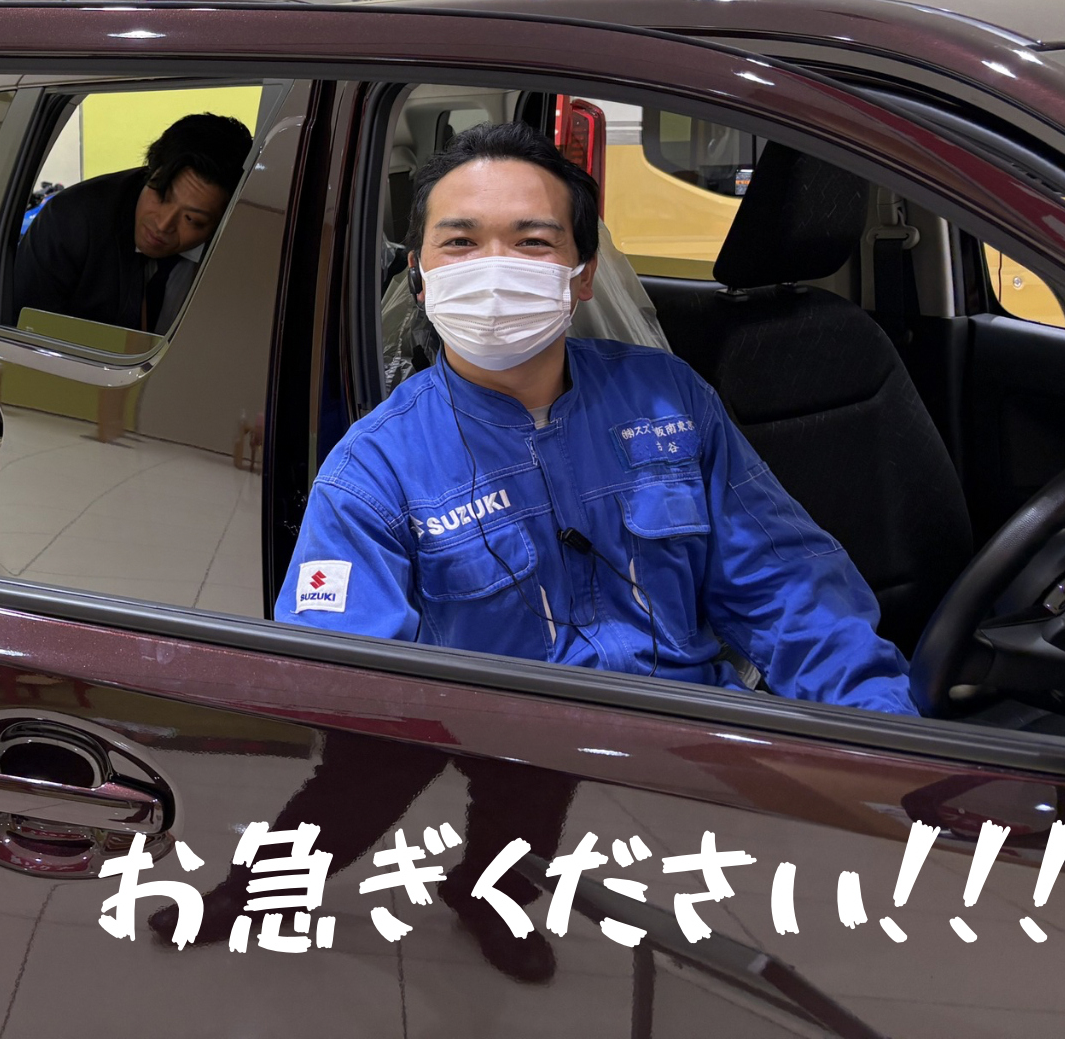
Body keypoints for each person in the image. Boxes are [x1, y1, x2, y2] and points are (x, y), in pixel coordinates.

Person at [274, 121, 916, 717]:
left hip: (699, 745)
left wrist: (886, 737)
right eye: (461, 243)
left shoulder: (667, 398)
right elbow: (343, 693)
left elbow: (789, 591)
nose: (494, 271)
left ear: (583, 276)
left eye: (532, 242)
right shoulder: (372, 471)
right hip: (519, 772)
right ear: (419, 275)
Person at [11, 111, 252, 333]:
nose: (163, 224)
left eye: (192, 219)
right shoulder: (71, 221)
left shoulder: (246, 249)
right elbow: (25, 333)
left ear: (223, 222)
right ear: (149, 172)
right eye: (161, 195)